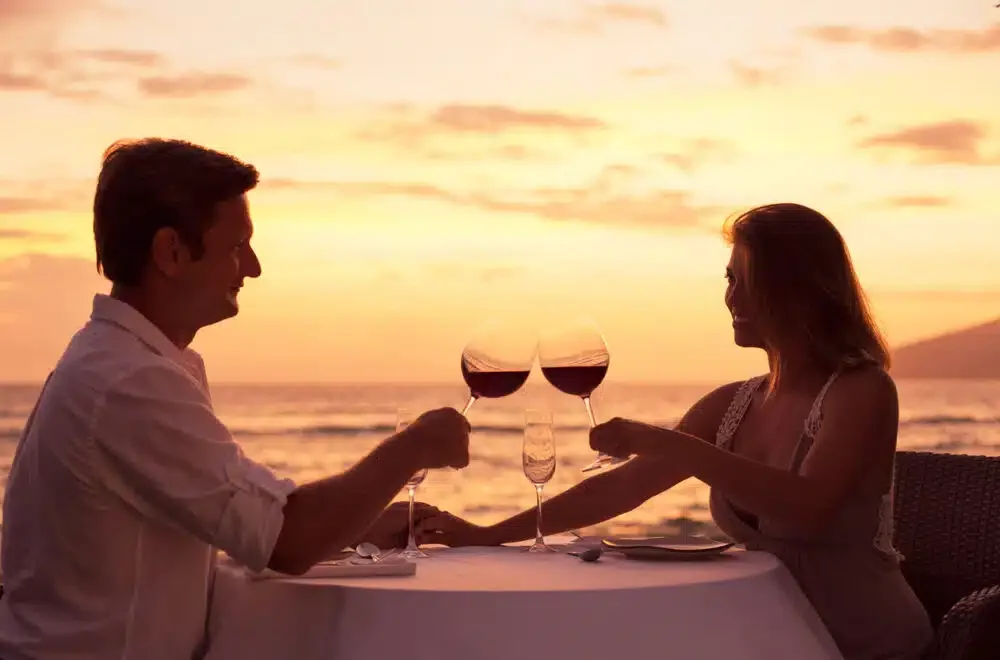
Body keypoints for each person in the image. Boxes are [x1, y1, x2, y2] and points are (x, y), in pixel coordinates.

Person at [0, 138, 471, 660]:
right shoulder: (129, 380)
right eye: (236, 246)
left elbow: (230, 527)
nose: (252, 267)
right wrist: (413, 447)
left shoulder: (129, 361)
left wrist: (351, 525)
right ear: (171, 253)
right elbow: (285, 539)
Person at [418, 203, 933, 660]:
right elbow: (619, 488)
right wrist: (489, 535)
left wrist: (667, 443)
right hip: (769, 636)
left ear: (793, 288)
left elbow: (807, 507)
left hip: (863, 643)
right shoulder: (734, 403)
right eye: (727, 279)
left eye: (743, 280)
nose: (730, 297)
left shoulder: (862, 390)